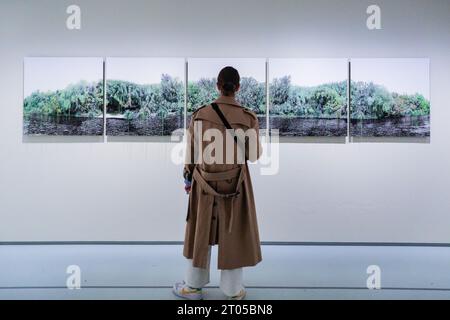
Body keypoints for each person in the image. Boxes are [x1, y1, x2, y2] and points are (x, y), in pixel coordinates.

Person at [173, 66, 263, 300]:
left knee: (199, 232)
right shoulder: (248, 118)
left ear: (217, 85)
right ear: (238, 87)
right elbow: (254, 155)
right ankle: (233, 291)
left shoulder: (200, 114)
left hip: (203, 185)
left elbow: (190, 155)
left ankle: (192, 287)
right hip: (236, 187)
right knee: (233, 233)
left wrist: (187, 178)